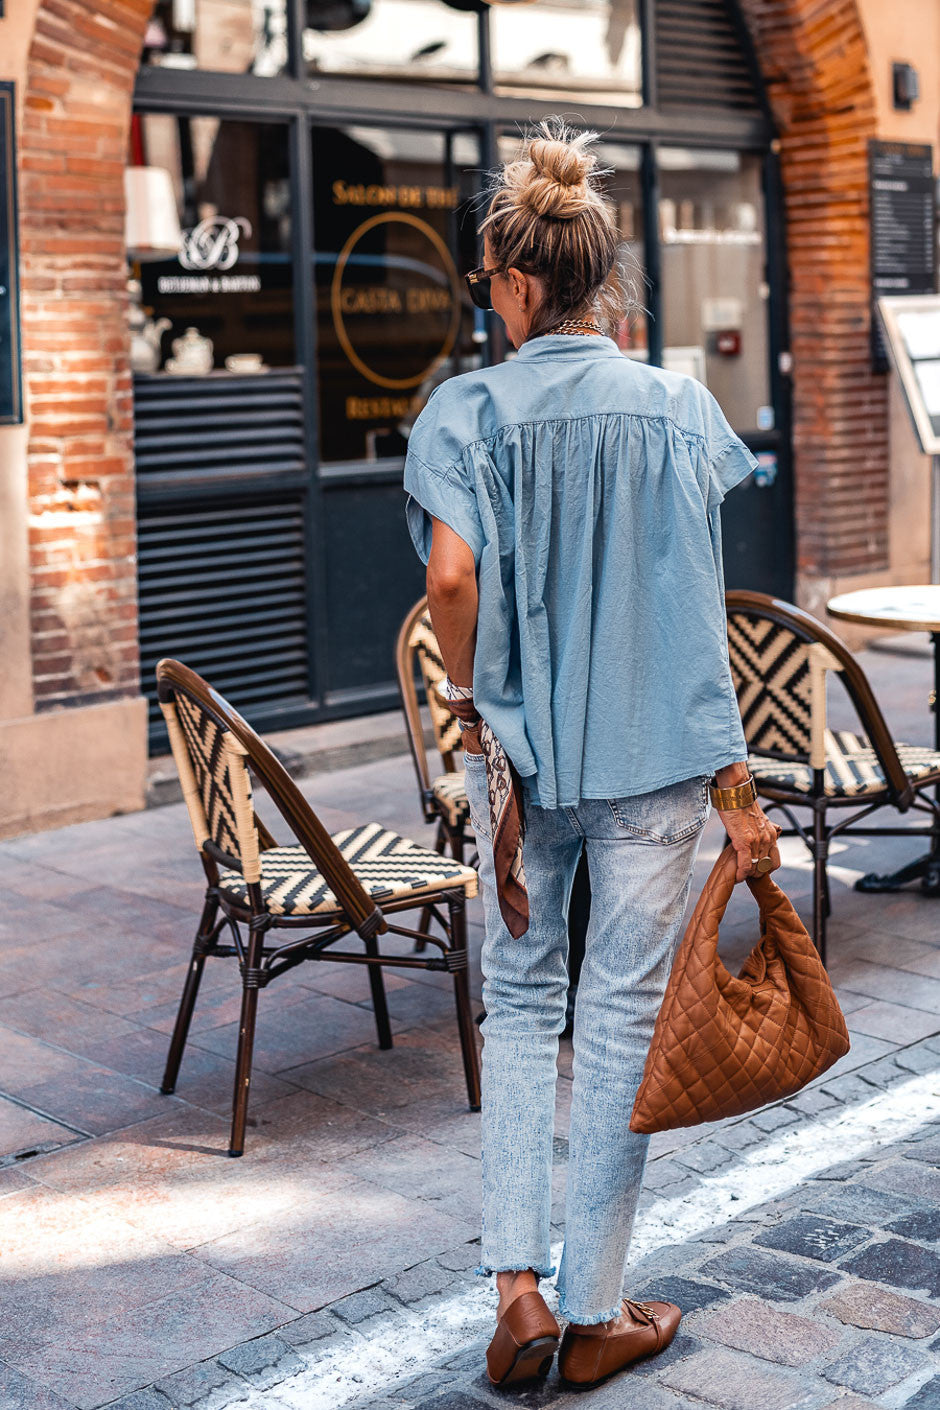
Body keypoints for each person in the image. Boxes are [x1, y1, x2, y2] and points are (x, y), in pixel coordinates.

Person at [403, 120, 781, 1391]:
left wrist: (471, 690)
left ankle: (514, 1295)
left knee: (517, 1007)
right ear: (597, 274)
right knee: (618, 1021)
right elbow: (696, 604)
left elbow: (451, 575)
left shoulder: (465, 409)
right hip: (655, 766)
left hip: (519, 772)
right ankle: (595, 1309)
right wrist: (737, 788)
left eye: (487, 283)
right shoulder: (676, 405)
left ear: (514, 282)